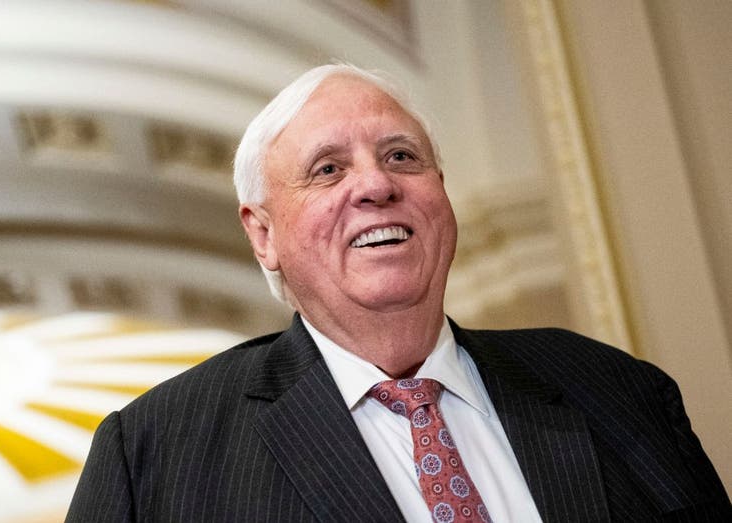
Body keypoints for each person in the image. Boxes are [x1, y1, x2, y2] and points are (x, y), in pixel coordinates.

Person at [66, 64, 730, 522]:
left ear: (440, 193)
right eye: (327, 169)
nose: (375, 185)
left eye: (401, 157)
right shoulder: (154, 454)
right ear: (262, 234)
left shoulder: (617, 390)